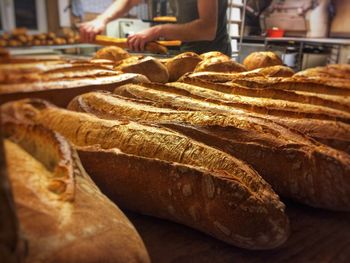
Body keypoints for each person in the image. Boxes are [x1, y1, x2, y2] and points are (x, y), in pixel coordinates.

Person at [80, 0, 232, 56]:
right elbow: (129, 2)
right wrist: (101, 20)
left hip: (214, 59)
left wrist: (156, 31)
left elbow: (206, 29)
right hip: (186, 54)